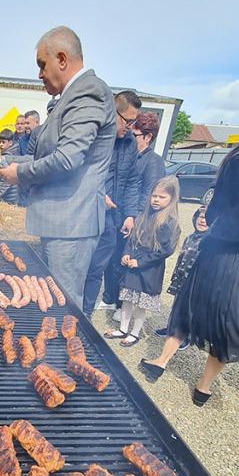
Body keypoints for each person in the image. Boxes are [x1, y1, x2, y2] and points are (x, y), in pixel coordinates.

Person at [140, 98, 239, 406]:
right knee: (235, 320)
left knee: (193, 305)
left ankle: (160, 362)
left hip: (225, 248)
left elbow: (216, 209)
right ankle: (203, 386)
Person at [0, 26, 116, 307]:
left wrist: (20, 175)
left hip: (72, 225)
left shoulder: (89, 92)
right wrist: (7, 162)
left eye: (42, 64)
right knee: (52, 303)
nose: (39, 74)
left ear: (62, 59)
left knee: (65, 308)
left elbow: (67, 158)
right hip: (61, 224)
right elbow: (46, 156)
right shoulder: (69, 97)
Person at [83, 90, 141, 314]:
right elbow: (77, 171)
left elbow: (132, 181)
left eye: (133, 121)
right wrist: (97, 192)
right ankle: (66, 313)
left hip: (110, 220)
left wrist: (130, 214)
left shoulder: (130, 143)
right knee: (77, 269)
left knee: (96, 271)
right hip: (85, 216)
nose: (130, 126)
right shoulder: (94, 136)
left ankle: (84, 316)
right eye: (127, 120)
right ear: (112, 111)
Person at [104, 177, 180, 346]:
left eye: (162, 197)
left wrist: (141, 262)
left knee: (140, 304)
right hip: (132, 266)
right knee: (127, 299)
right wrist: (126, 253)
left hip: (148, 270)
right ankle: (123, 328)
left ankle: (135, 332)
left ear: (171, 199)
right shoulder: (143, 216)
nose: (156, 200)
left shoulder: (168, 222)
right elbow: (132, 239)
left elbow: (165, 250)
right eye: (154, 196)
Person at [155, 205, 209, 349]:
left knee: (190, 310)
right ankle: (171, 328)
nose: (202, 221)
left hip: (195, 283)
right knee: (177, 305)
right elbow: (181, 259)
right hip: (182, 278)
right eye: (200, 217)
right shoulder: (190, 238)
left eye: (206, 218)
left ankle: (186, 336)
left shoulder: (209, 242)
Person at [132, 112, 165, 212]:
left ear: (148, 137)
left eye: (134, 135)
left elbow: (148, 196)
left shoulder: (154, 162)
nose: (129, 138)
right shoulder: (132, 156)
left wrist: (132, 219)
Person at [0, 129, 20, 204]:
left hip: (7, 199)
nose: (0, 144)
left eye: (3, 142)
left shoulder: (7, 158)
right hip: (12, 198)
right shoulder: (15, 154)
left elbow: (6, 181)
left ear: (10, 143)